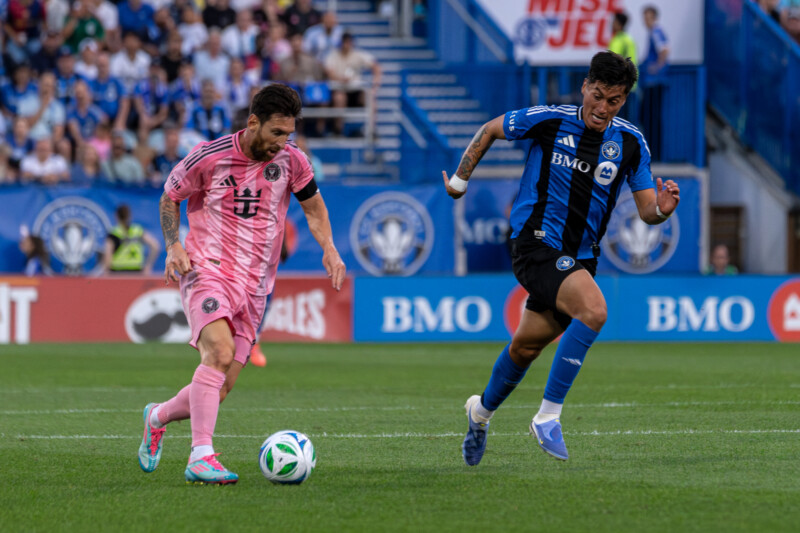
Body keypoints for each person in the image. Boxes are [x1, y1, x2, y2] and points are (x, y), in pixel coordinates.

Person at [443, 51, 680, 465]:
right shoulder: (550, 118)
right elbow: (490, 128)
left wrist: (662, 209)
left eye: (615, 100)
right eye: (599, 96)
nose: (603, 108)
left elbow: (647, 212)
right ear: (586, 87)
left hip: (580, 258)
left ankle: (479, 413)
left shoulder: (630, 142)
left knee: (526, 348)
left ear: (624, 100)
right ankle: (548, 416)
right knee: (595, 310)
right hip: (533, 243)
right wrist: (461, 180)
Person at [137, 83, 346, 484]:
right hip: (207, 270)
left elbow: (314, 208)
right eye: (276, 133)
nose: (283, 143)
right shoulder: (208, 157)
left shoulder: (293, 162)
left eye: (289, 134)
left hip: (256, 286)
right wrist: (172, 244)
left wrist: (330, 248)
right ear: (253, 122)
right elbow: (170, 196)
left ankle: (157, 415)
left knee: (221, 386)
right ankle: (201, 456)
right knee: (217, 351)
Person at [639, 5, 669, 161]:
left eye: (649, 17)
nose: (646, 20)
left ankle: (655, 154)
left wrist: (656, 67)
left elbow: (664, 50)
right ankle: (653, 152)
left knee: (651, 117)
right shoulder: (652, 33)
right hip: (651, 82)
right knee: (648, 116)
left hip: (654, 82)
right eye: (644, 17)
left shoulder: (656, 31)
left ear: (654, 18)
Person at [103, 204, 160, 274]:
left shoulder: (113, 233)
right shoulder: (137, 231)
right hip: (136, 271)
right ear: (129, 216)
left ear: (116, 216)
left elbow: (108, 255)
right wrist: (148, 266)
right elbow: (155, 246)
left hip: (118, 272)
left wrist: (106, 270)